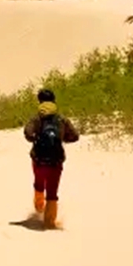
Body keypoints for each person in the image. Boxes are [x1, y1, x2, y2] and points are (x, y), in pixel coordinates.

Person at [23, 88, 79, 229]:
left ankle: (39, 207)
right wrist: (61, 138)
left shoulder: (36, 118)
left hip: (38, 160)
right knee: (53, 192)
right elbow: (75, 136)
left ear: (40, 101)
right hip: (56, 161)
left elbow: (28, 133)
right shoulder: (61, 119)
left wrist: (36, 138)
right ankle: (49, 222)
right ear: (54, 100)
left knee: (39, 183)